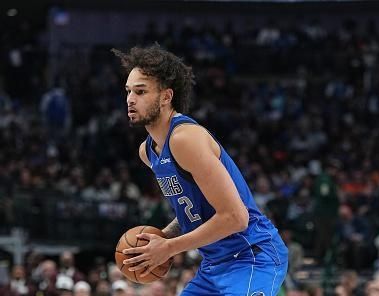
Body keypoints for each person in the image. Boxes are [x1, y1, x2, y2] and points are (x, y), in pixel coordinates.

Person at [112, 44, 288, 295]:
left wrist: (170, 248)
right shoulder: (148, 152)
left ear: (166, 96)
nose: (130, 99)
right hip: (215, 265)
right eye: (128, 91)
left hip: (252, 256)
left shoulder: (185, 139)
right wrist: (163, 237)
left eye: (140, 91)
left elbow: (236, 218)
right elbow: (193, 211)